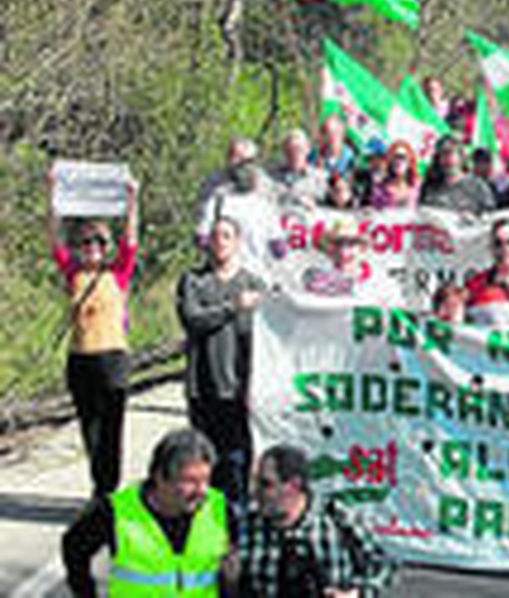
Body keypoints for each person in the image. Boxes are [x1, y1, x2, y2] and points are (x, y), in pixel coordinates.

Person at [46, 169, 139, 498]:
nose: (92, 249)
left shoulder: (118, 273)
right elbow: (54, 241)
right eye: (86, 243)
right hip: (81, 358)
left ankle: (107, 487)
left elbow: (131, 241)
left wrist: (132, 199)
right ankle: (99, 484)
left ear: (105, 247)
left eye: (98, 243)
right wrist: (53, 195)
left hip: (112, 357)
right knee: (90, 428)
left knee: (112, 428)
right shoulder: (73, 273)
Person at [61, 428, 228, 598]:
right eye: (190, 481)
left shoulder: (218, 507)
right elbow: (73, 547)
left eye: (206, 480)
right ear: (160, 477)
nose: (201, 491)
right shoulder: (115, 512)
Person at [176, 216, 267, 512]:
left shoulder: (253, 283)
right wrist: (233, 307)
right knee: (204, 460)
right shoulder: (193, 280)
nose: (220, 243)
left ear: (237, 242)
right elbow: (193, 319)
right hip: (202, 386)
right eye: (215, 237)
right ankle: (206, 522)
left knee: (237, 461)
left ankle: (237, 527)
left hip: (239, 388)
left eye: (227, 236)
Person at [236, 443, 396, 597]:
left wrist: (356, 593)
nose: (255, 492)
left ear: (293, 486)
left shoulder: (336, 517)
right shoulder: (246, 524)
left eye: (266, 484)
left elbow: (383, 563)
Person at [420, 137, 496, 214]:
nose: (445, 159)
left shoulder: (478, 186)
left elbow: (489, 215)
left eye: (449, 153)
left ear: (461, 156)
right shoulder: (430, 186)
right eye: (441, 155)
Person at [302, 219, 368, 297]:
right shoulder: (332, 241)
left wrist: (362, 241)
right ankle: (320, 284)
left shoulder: (349, 243)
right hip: (333, 265)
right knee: (331, 272)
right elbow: (323, 243)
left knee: (343, 274)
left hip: (342, 268)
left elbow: (355, 242)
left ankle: (342, 286)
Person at [269, 129, 327, 208]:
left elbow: (328, 208)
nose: (294, 154)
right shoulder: (272, 176)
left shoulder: (320, 178)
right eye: (289, 151)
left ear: (308, 149)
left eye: (299, 149)